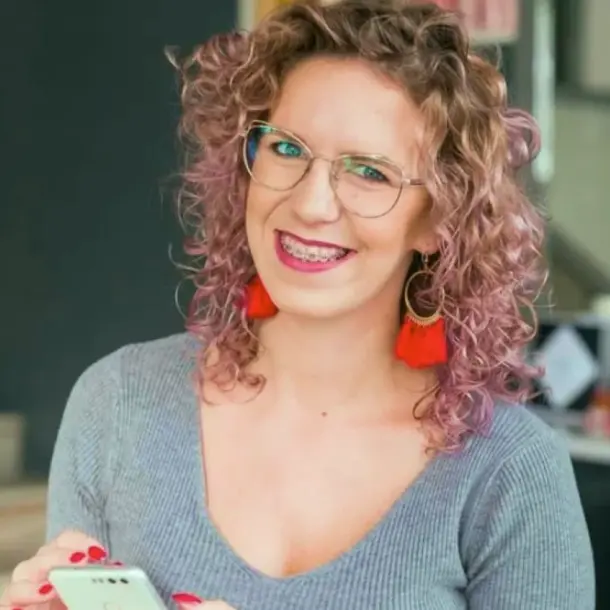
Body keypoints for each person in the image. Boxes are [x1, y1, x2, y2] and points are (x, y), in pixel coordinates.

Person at [0, 1, 595, 609]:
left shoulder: (509, 471)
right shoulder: (118, 405)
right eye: (286, 149)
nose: (311, 204)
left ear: (437, 220)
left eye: (369, 172)